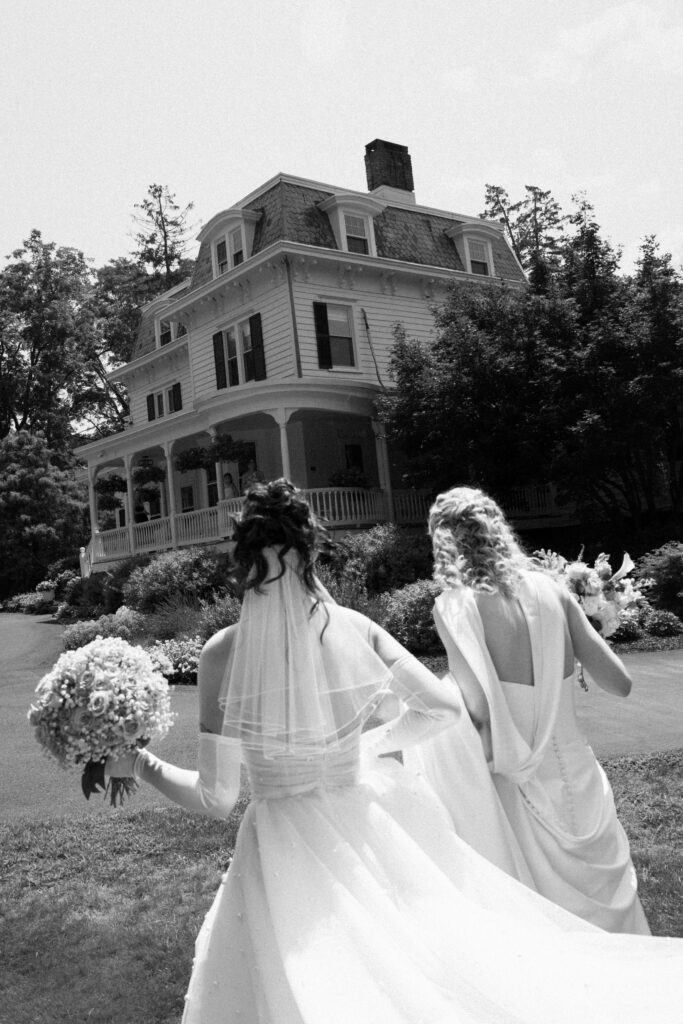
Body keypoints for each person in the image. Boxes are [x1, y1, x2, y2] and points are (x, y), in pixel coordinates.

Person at [107, 480, 683, 1023]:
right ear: (312, 552)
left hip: (279, 842)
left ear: (241, 557)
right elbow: (442, 709)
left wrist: (139, 762)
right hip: (371, 823)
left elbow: (215, 798)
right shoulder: (354, 628)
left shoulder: (221, 652)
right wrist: (366, 750)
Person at [406, 485, 649, 934]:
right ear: (499, 529)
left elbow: (478, 709)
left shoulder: (455, 607)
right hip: (580, 776)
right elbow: (620, 683)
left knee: (543, 925)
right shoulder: (552, 591)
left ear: (443, 542)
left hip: (518, 786)